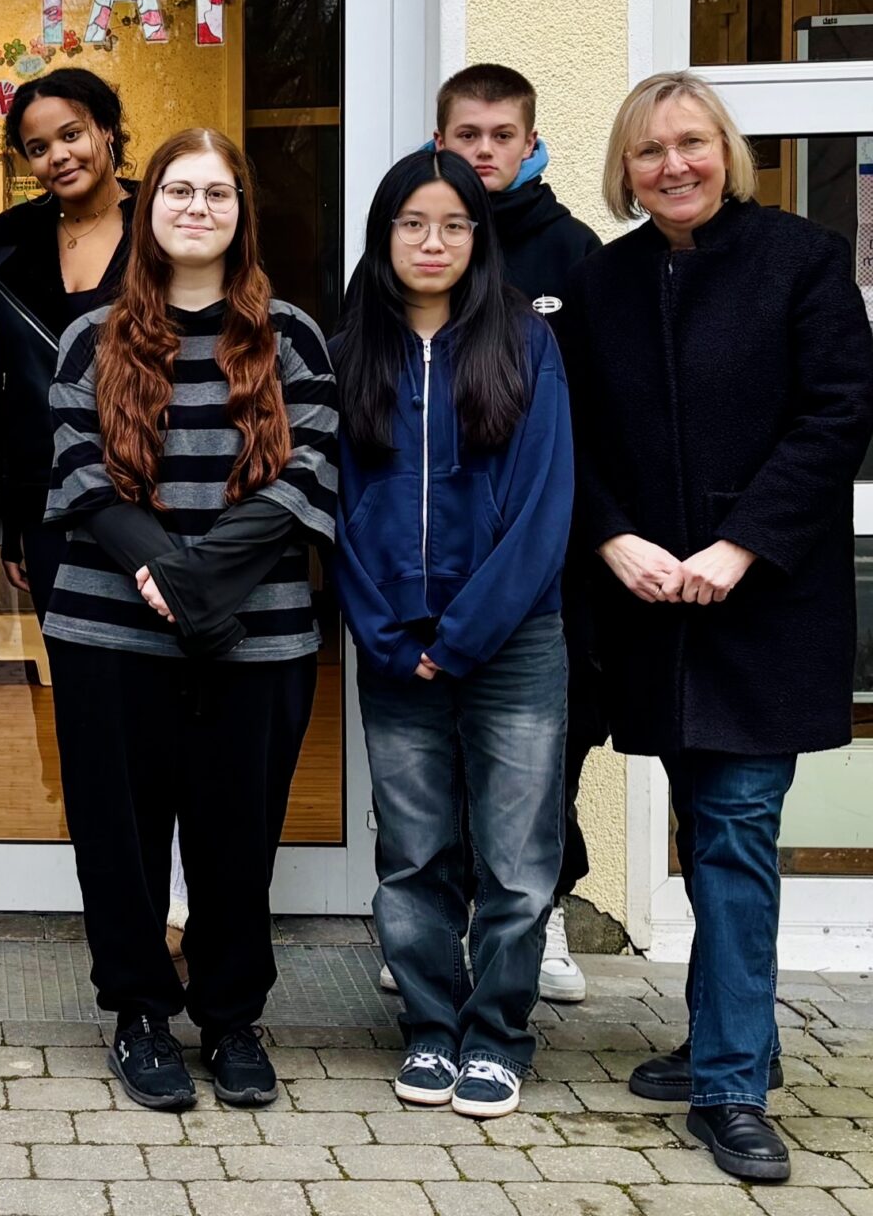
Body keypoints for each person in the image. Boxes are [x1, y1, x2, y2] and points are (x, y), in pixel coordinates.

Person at [564, 71, 873, 1184]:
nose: (672, 166)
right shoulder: (602, 283)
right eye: (648, 152)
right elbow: (577, 440)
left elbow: (838, 413)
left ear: (724, 150)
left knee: (735, 828)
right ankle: (727, 1038)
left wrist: (736, 547)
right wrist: (612, 541)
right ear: (624, 168)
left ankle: (733, 1087)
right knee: (705, 832)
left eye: (690, 144)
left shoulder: (798, 259)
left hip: (764, 607)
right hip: (653, 609)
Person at [40, 128, 337, 1114]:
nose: (196, 208)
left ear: (241, 212)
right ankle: (136, 1013)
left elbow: (310, 473)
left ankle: (230, 1017)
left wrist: (203, 577)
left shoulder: (290, 337)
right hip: (109, 630)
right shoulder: (92, 337)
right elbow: (79, 474)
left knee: (235, 837)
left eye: (215, 193)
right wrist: (162, 571)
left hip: (257, 637)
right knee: (118, 839)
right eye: (178, 190)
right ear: (148, 207)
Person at [333, 148, 573, 1120]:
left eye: (452, 225)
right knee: (414, 852)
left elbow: (544, 506)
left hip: (512, 644)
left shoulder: (523, 342)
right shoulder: (352, 349)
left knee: (516, 863)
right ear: (383, 236)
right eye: (412, 224)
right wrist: (386, 633)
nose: (431, 243)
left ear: (478, 239)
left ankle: (497, 1037)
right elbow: (335, 509)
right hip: (394, 645)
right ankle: (431, 1029)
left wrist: (464, 633)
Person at [434, 62, 604, 1006]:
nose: (486, 151)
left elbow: (600, 411)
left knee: (544, 753)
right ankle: (442, 918)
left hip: (547, 560)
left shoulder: (571, 251)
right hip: (433, 557)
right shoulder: (407, 243)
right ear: (440, 142)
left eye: (502, 135)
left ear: (531, 141)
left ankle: (543, 918)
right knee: (436, 748)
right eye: (469, 135)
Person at [0, 69, 135, 604]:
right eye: (38, 147)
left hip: (153, 493)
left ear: (107, 129)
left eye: (72, 135)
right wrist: (17, 517)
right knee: (73, 678)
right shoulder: (7, 248)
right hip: (50, 500)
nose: (59, 157)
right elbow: (11, 393)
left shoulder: (165, 226)